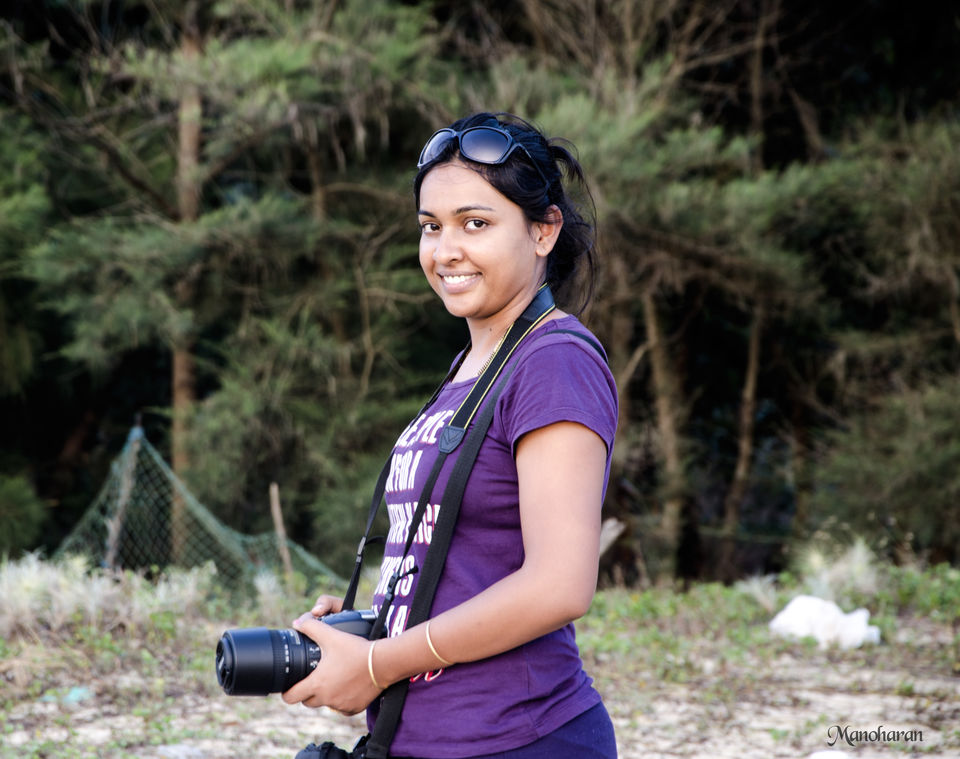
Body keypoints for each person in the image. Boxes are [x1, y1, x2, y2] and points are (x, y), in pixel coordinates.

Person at [282, 112, 619, 759]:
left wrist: (380, 662)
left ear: (544, 230)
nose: (446, 249)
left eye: (476, 223)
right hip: (428, 738)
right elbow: (465, 561)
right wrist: (371, 623)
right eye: (431, 227)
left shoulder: (555, 361)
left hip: (520, 739)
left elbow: (560, 582)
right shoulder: (469, 370)